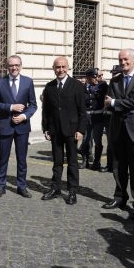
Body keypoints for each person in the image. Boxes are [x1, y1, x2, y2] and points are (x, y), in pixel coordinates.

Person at [102, 49, 134, 220]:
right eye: (120, 59)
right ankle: (120, 197)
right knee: (118, 168)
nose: (123, 62)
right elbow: (107, 104)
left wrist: (117, 102)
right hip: (117, 129)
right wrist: (131, 106)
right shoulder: (115, 80)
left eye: (126, 59)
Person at [0, 55, 37, 199]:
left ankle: (21, 186)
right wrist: (11, 107)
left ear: (21, 66)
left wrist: (24, 116)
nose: (14, 68)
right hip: (5, 125)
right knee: (2, 158)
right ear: (7, 67)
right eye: (11, 65)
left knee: (21, 159)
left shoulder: (28, 82)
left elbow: (33, 105)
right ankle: (1, 186)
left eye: (16, 65)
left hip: (22, 127)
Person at [41, 56, 86, 205]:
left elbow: (82, 111)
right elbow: (46, 110)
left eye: (63, 67)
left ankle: (72, 190)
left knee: (72, 162)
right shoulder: (49, 87)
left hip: (72, 130)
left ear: (68, 68)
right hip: (55, 131)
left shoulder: (77, 85)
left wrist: (81, 130)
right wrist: (46, 128)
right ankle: (56, 188)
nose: (60, 70)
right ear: (53, 69)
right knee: (57, 162)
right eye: (57, 67)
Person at [79, 68, 108, 170]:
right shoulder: (81, 88)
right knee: (85, 140)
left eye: (97, 77)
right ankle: (85, 161)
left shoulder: (102, 86)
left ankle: (97, 162)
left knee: (97, 140)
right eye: (94, 77)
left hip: (98, 117)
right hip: (86, 118)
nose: (96, 79)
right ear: (87, 78)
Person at [100, 65, 123, 173]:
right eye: (113, 73)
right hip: (110, 118)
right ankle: (110, 165)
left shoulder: (126, 86)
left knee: (122, 144)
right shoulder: (111, 85)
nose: (114, 75)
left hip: (122, 118)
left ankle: (120, 166)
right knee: (111, 143)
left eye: (116, 73)